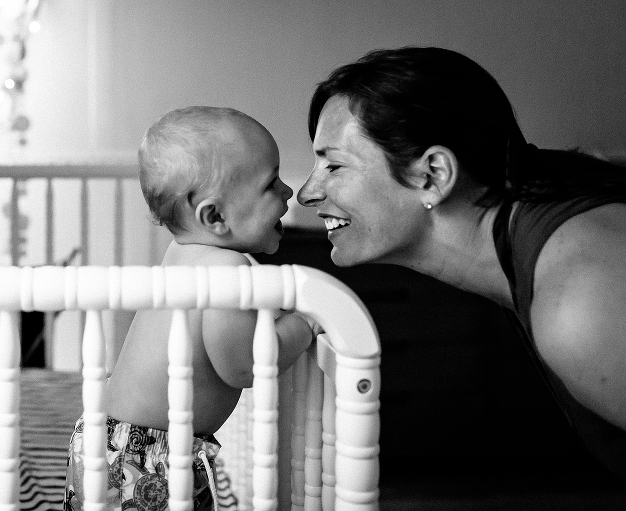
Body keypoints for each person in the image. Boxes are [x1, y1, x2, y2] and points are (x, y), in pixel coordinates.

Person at [297, 46, 626, 482]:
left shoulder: (579, 302)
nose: (306, 193)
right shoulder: (543, 226)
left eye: (334, 165)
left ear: (433, 174)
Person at [64, 106, 316, 510]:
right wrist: (301, 326)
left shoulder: (181, 252)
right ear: (214, 216)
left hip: (108, 444)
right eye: (271, 184)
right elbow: (245, 365)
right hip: (148, 458)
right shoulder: (226, 269)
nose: (289, 192)